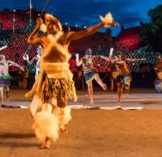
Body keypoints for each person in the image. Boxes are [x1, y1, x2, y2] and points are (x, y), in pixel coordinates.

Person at [25, 12, 118, 149]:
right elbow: (29, 40)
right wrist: (38, 27)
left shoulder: (66, 37)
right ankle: (47, 138)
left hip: (62, 77)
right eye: (47, 25)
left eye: (52, 24)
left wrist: (103, 24)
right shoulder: (44, 39)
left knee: (61, 106)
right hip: (47, 77)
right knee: (46, 106)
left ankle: (60, 123)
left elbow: (87, 31)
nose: (49, 26)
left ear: (58, 26)